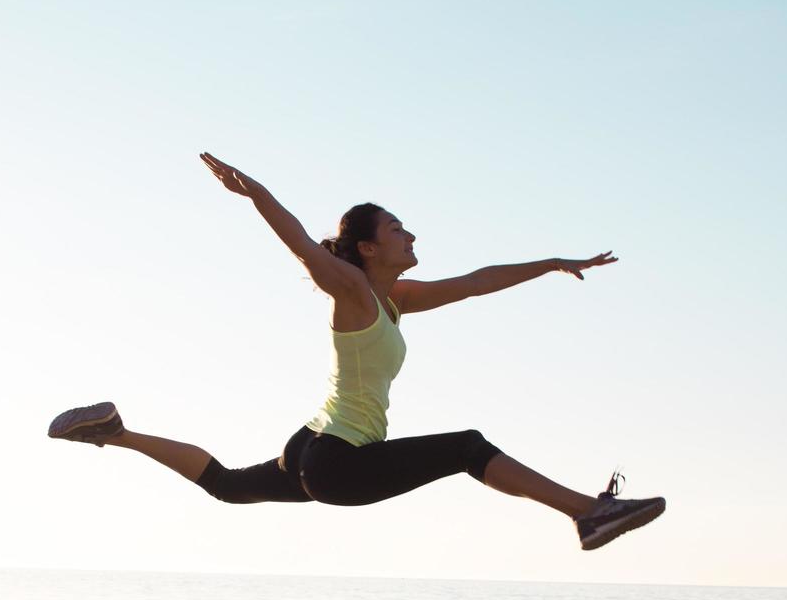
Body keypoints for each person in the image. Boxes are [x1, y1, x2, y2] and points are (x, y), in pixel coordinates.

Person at [48, 153, 665, 551]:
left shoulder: (395, 299)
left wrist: (554, 264)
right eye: (397, 228)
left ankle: (115, 433)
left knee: (229, 486)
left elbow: (477, 282)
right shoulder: (354, 294)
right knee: (467, 447)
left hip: (317, 444)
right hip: (336, 460)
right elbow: (299, 244)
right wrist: (257, 193)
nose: (411, 233)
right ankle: (587, 513)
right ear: (367, 248)